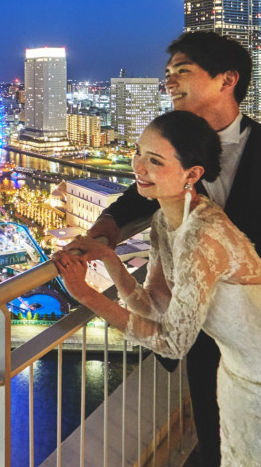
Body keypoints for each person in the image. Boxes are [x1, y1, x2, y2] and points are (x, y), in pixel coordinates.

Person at [83, 31, 261, 467]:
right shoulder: (176, 147)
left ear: (227, 79)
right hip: (203, 333)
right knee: (217, 432)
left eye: (183, 71)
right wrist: (104, 231)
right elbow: (137, 195)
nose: (170, 82)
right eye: (167, 75)